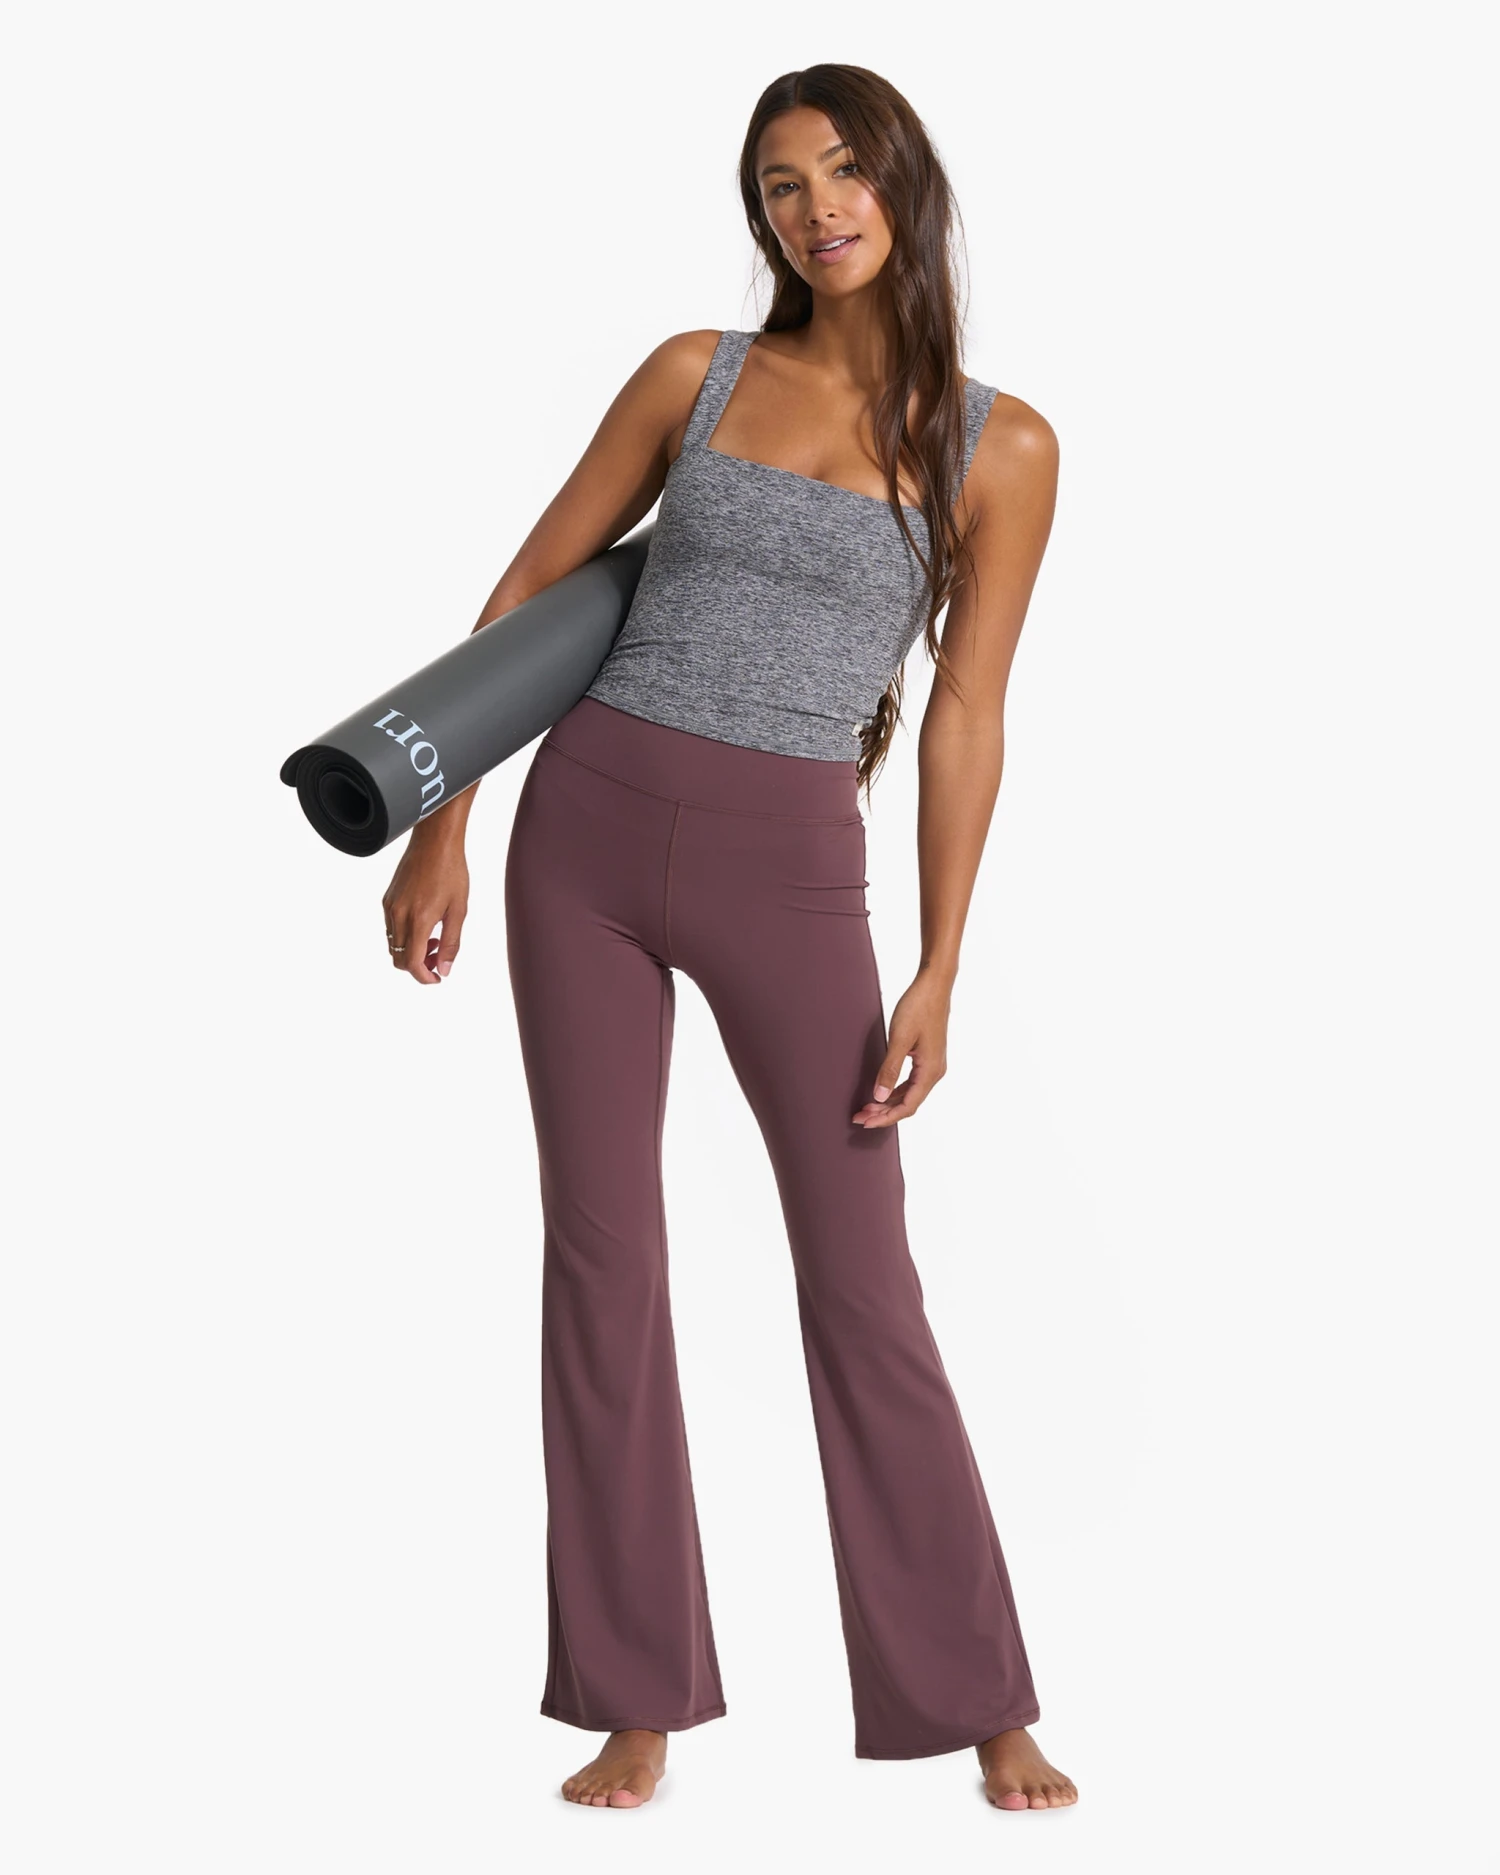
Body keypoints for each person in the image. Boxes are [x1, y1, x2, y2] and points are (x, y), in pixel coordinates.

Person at [379, 63, 1073, 1814]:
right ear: (758, 215)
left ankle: (977, 1696)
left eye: (845, 172)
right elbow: (531, 587)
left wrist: (942, 960)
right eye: (780, 184)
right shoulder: (693, 373)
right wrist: (444, 814)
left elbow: (969, 710)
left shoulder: (1002, 446)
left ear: (904, 185)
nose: (817, 207)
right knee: (602, 1259)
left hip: (794, 873)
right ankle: (635, 1695)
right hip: (586, 836)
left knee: (863, 1280)